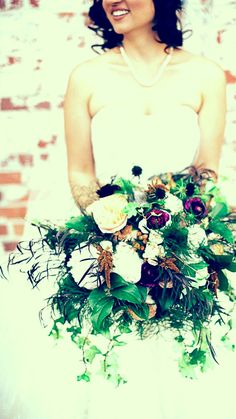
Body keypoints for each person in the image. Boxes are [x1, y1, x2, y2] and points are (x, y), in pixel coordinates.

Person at [0, 1, 235, 419]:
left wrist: (176, 237)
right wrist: (111, 230)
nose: (113, 0)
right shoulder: (87, 76)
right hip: (104, 245)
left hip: (178, 246)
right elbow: (79, 172)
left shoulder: (204, 75)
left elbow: (206, 174)